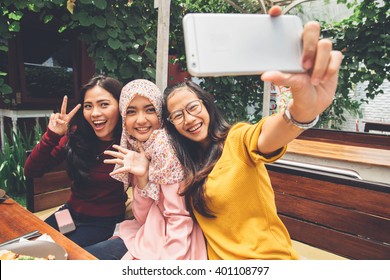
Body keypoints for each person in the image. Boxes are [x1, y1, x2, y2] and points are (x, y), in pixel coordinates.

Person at [161, 7, 343, 259]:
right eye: (178, 115)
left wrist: (302, 112)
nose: (189, 119)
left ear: (207, 107)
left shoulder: (237, 139)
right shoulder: (185, 164)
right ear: (172, 125)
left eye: (193, 107)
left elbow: (270, 134)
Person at [85, 79, 207, 260]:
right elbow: (142, 217)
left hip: (175, 245)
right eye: (131, 112)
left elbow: (180, 218)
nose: (141, 120)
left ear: (160, 113)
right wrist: (142, 177)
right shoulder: (140, 147)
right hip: (149, 232)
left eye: (150, 110)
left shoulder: (165, 147)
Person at [24, 75, 127, 248]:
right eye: (88, 106)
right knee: (30, 245)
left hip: (102, 222)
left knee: (58, 255)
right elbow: (31, 171)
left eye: (104, 104)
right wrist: (52, 135)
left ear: (121, 107)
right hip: (69, 213)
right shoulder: (77, 136)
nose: (95, 113)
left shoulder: (129, 143)